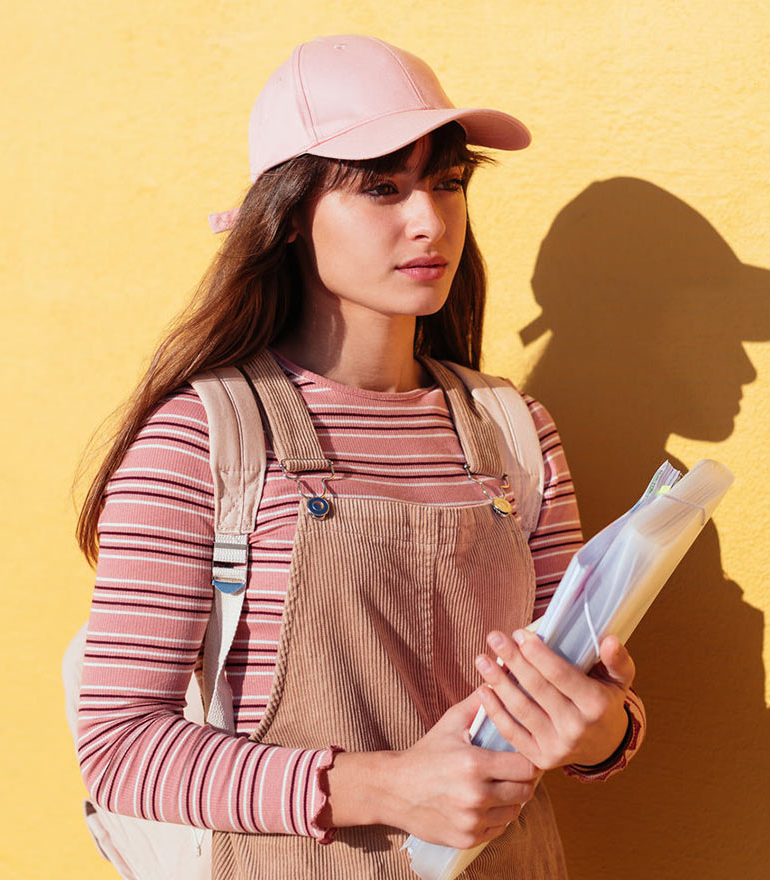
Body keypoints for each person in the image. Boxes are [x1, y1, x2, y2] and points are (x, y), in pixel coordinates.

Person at [72, 34, 646, 879]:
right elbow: (119, 748)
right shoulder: (203, 438)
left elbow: (589, 691)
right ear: (292, 216)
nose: (429, 220)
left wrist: (602, 729)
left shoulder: (513, 430)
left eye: (446, 183)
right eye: (382, 188)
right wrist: (385, 787)